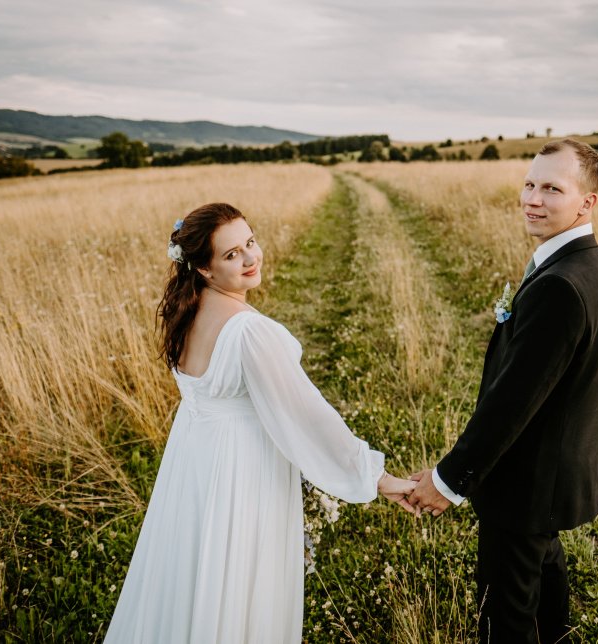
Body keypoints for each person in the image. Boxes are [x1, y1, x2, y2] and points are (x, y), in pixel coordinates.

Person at [104, 202, 415, 643]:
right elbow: (307, 417)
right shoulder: (249, 331)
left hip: (192, 471)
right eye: (232, 254)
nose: (251, 258)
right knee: (236, 585)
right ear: (205, 268)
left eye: (250, 242)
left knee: (192, 576)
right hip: (241, 478)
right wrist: (376, 477)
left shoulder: (187, 313)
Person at [408, 139, 598, 643]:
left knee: (505, 617)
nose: (532, 198)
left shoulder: (560, 285)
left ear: (587, 201)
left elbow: (511, 404)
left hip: (527, 481)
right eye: (529, 184)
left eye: (552, 189)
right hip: (553, 477)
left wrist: (447, 481)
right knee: (543, 576)